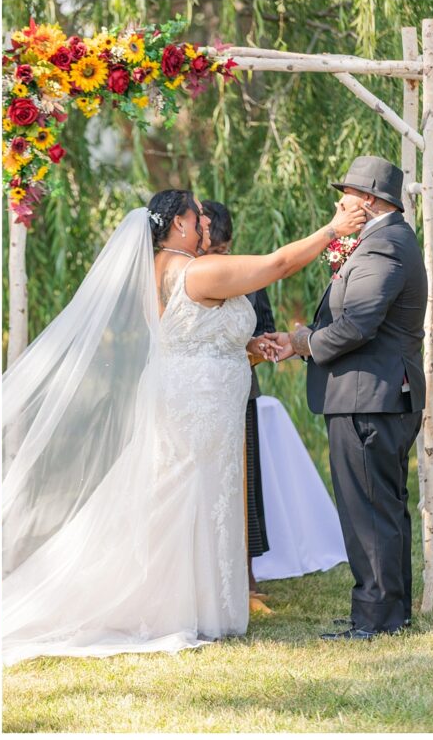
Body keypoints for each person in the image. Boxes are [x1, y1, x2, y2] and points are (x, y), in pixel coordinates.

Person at [1, 189, 365, 663]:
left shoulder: (157, 270)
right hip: (199, 402)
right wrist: (332, 231)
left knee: (186, 493)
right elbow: (276, 265)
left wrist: (250, 347)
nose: (205, 228)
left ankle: (187, 602)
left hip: (191, 391)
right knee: (189, 494)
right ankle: (173, 608)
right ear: (178, 225)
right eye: (199, 220)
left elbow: (192, 334)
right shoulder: (197, 270)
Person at [277, 156, 427, 641]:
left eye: (344, 195)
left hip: (370, 396)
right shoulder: (384, 241)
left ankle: (377, 617)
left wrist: (304, 342)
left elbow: (358, 324)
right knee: (381, 505)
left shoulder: (384, 245)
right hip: (373, 393)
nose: (338, 202)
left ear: (367, 201)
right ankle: (388, 611)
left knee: (368, 509)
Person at [202, 200, 274, 607]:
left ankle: (245, 577)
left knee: (244, 486)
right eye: (214, 252)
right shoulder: (183, 275)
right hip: (195, 391)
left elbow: (266, 331)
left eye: (226, 251)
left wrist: (253, 350)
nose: (221, 260)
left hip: (238, 391)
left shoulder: (249, 275)